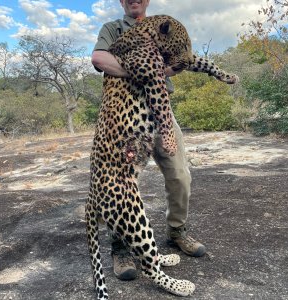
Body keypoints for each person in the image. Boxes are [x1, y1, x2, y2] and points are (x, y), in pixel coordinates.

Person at [91, 0, 206, 281]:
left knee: (180, 175)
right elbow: (99, 59)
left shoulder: (166, 28)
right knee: (123, 183)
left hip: (162, 110)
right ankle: (121, 248)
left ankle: (177, 232)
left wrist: (155, 70)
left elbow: (178, 62)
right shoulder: (113, 28)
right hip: (128, 115)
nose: (134, 0)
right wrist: (145, 69)